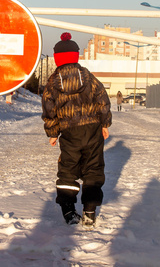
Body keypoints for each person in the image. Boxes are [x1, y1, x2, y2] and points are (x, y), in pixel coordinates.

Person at [42, 32, 112, 228]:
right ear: (76, 55)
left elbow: (49, 108)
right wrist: (105, 123)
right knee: (93, 168)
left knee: (68, 169)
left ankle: (69, 211)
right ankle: (90, 211)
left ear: (57, 58)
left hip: (69, 132)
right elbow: (103, 100)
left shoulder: (53, 82)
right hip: (92, 130)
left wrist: (53, 132)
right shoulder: (89, 77)